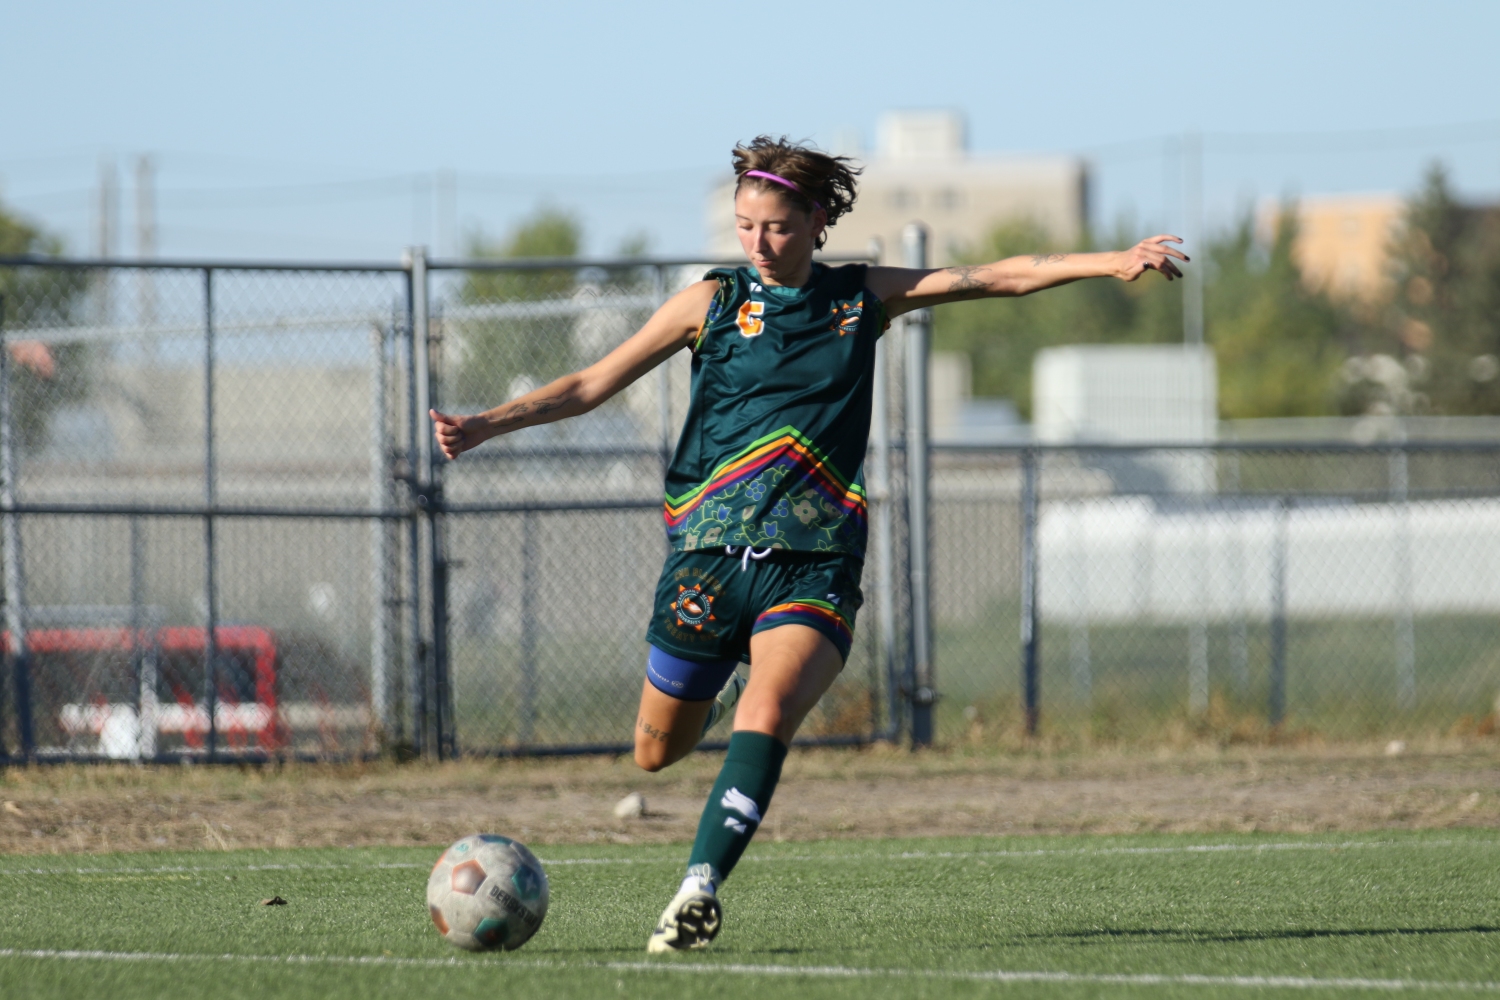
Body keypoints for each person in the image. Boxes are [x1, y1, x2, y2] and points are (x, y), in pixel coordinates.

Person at [430, 135, 1187, 953]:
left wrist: (1111, 260)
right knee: (654, 754)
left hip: (815, 562)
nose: (759, 242)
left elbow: (995, 276)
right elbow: (586, 386)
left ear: (818, 222)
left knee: (769, 711)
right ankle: (711, 695)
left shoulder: (860, 300)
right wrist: (483, 425)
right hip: (708, 563)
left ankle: (698, 888)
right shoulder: (710, 303)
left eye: (779, 227)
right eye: (746, 224)